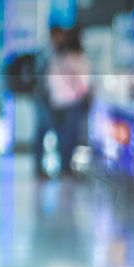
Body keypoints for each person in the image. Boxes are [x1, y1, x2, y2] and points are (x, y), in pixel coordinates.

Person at [47, 26, 91, 178]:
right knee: (69, 136)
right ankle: (65, 167)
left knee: (66, 136)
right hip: (70, 101)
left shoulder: (59, 57)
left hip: (60, 101)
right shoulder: (73, 58)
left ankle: (65, 166)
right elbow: (81, 81)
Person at [31, 26, 65, 180]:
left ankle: (42, 167)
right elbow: (42, 79)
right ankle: (39, 167)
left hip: (49, 99)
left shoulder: (53, 52)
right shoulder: (47, 53)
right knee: (43, 131)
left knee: (46, 131)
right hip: (44, 99)